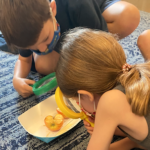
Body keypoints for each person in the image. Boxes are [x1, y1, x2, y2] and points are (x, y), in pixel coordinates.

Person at [0, 0, 140, 98]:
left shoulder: (78, 4)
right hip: (64, 30)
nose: (42, 49)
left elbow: (104, 43)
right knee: (42, 65)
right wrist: (17, 78)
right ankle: (72, 49)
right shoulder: (24, 30)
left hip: (92, 10)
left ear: (52, 9)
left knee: (129, 16)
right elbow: (23, 60)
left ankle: (81, 44)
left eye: (45, 39)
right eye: (33, 48)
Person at [56, 28, 149, 150]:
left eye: (78, 101)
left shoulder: (110, 101)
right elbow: (138, 126)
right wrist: (108, 128)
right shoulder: (138, 72)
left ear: (86, 95)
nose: (80, 106)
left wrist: (102, 125)